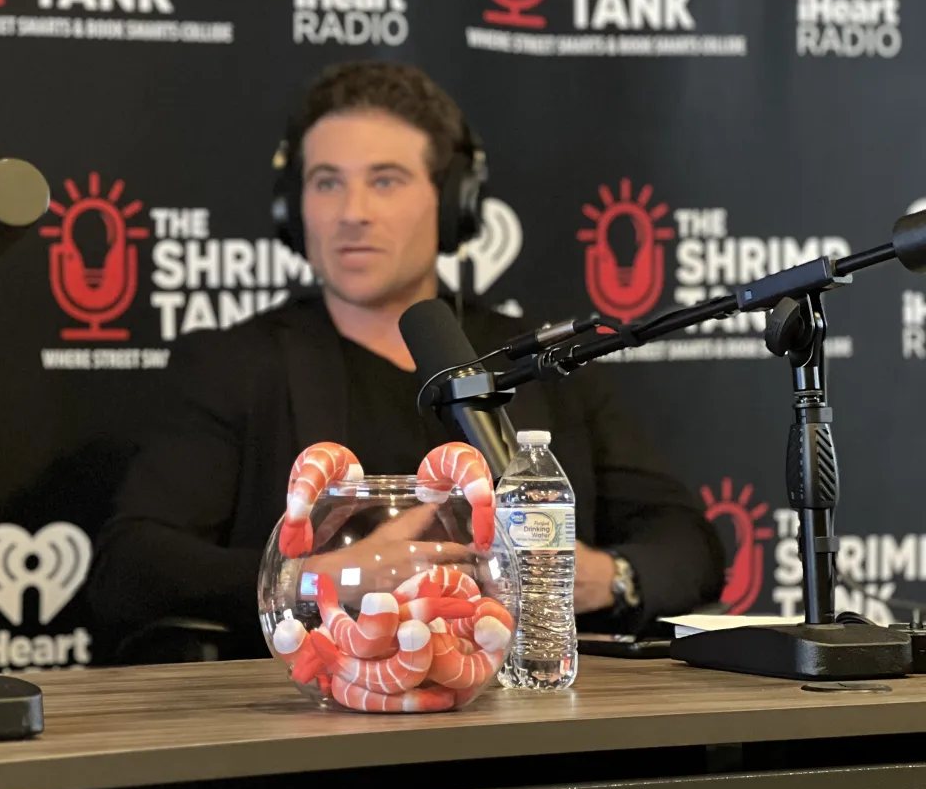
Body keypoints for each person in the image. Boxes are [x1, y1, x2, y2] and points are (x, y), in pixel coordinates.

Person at [90, 62, 724, 659]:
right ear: (294, 210)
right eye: (326, 182)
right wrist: (321, 579)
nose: (351, 213)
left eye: (385, 180)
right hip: (315, 725)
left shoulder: (544, 361)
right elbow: (135, 566)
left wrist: (607, 578)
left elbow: (688, 544)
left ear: (452, 206)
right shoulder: (236, 364)